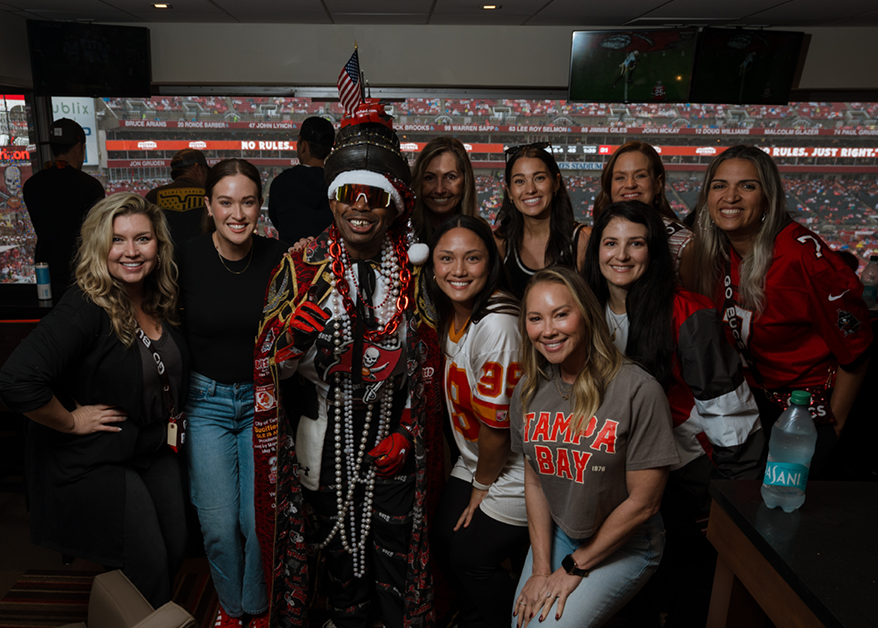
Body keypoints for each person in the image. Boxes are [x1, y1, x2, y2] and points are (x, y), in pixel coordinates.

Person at [252, 100, 445, 628]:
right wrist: (291, 344)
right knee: (337, 558)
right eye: (347, 194)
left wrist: (408, 431)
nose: (360, 207)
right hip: (324, 435)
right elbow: (268, 372)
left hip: (393, 439)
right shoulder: (298, 264)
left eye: (374, 195)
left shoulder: (413, 269)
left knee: (394, 556)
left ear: (394, 204)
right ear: (332, 200)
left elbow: (429, 366)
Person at [0, 192, 187, 607]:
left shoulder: (160, 297)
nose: (131, 252)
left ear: (159, 245)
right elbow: (16, 380)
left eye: (143, 239)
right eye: (117, 240)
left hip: (151, 445)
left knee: (177, 546)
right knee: (149, 560)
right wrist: (71, 420)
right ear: (99, 247)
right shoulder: (85, 304)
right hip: (95, 454)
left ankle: (143, 612)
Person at [581, 200, 763, 627]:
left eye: (636, 244)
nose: (621, 255)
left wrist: (736, 502)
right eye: (610, 243)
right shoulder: (584, 307)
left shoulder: (688, 311)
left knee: (690, 583)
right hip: (620, 472)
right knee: (632, 587)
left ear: (655, 251)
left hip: (689, 472)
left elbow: (732, 417)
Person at [509, 267, 678, 628]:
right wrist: (541, 570)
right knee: (522, 624)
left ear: (585, 314)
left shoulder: (637, 390)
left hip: (628, 542)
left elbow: (645, 503)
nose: (548, 330)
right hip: (559, 533)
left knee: (549, 627)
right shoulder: (528, 389)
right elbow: (536, 481)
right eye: (536, 318)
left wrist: (573, 567)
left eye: (561, 314)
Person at [689, 145, 872, 475]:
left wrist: (836, 425)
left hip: (807, 410)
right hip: (752, 404)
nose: (730, 197)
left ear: (768, 197)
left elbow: (855, 348)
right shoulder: (713, 253)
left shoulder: (804, 258)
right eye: (719, 185)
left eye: (747, 185)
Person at [178, 159, 285, 628]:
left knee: (257, 524)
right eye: (226, 202)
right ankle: (231, 608)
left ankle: (256, 610)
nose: (237, 213)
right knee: (219, 527)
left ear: (260, 206)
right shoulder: (185, 257)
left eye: (247, 202)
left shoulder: (281, 258)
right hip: (208, 405)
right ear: (209, 206)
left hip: (264, 404)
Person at [426, 215, 527, 628]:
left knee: (469, 554)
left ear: (492, 260)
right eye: (446, 258)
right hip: (474, 461)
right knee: (441, 540)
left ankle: (524, 621)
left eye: (472, 258)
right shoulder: (447, 312)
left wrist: (481, 491)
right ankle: (474, 619)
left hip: (517, 468)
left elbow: (498, 430)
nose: (459, 270)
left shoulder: (498, 324)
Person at [592, 142, 696, 286]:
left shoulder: (684, 244)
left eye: (640, 176)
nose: (630, 184)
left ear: (658, 184)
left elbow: (697, 303)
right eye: (620, 178)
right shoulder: (597, 233)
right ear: (609, 187)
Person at [22, 117, 106, 294]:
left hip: (47, 271)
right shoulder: (90, 186)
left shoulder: (32, 184)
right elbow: (97, 234)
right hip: (83, 271)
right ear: (79, 147)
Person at [494, 144, 587, 297]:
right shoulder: (500, 244)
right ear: (509, 192)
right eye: (519, 181)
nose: (530, 189)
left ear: (556, 182)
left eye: (539, 178)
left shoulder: (582, 240)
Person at [268, 116, 335, 245]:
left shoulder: (281, 183)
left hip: (289, 258)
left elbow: (277, 221)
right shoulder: (338, 184)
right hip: (329, 259)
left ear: (303, 145)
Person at [410, 137, 480, 243]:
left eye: (450, 177)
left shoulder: (481, 234)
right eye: (429, 178)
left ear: (466, 181)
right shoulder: (401, 235)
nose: (439, 190)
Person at [147, 148, 209, 243]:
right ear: (197, 169)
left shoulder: (152, 196)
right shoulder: (210, 194)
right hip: (204, 255)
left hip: (167, 256)